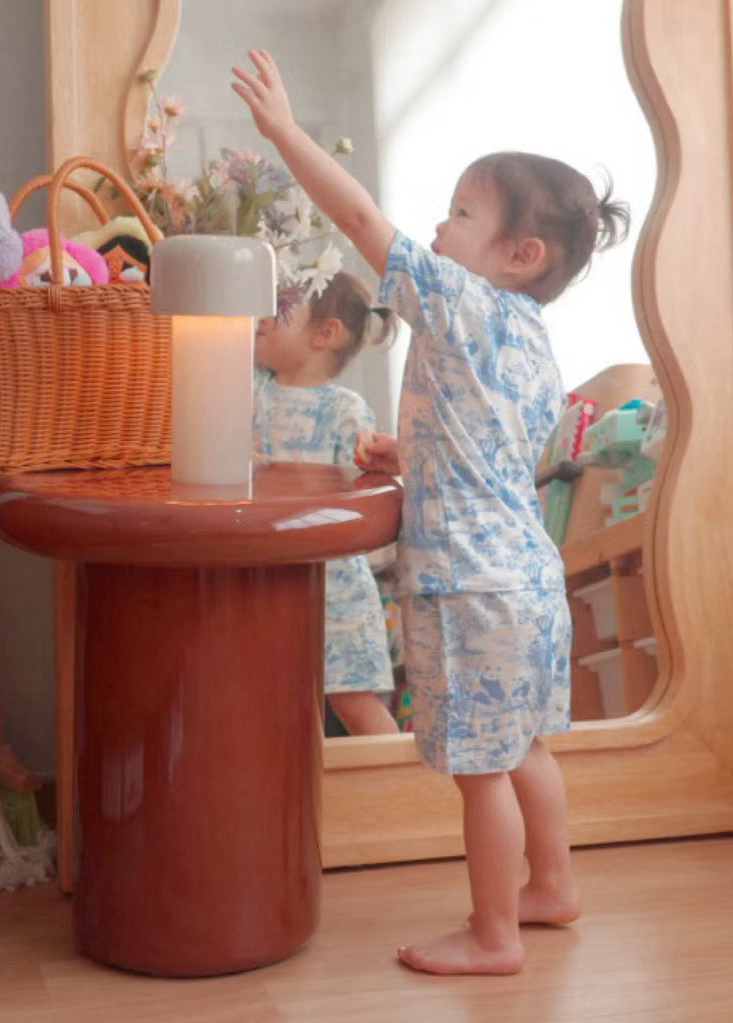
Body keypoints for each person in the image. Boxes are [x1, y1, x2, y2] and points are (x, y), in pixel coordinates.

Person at [232, 49, 629, 976]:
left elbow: (362, 221)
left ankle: (493, 934)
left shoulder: (462, 302)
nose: (439, 229)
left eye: (460, 213)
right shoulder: (531, 341)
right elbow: (489, 455)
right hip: (525, 577)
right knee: (524, 747)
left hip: (471, 587)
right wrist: (409, 459)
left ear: (518, 255)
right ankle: (552, 886)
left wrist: (285, 133)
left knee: (479, 769)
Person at [254, 270, 401, 736]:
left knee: (355, 702)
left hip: (336, 590)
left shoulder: (344, 409)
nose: (262, 320)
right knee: (284, 707)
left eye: (279, 312)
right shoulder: (250, 391)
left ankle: (410, 797)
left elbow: (364, 488)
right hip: (268, 584)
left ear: (325, 332)